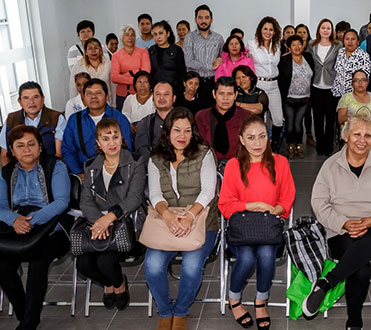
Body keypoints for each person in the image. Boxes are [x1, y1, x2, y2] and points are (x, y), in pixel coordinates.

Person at [306, 112, 371, 329]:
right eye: (357, 134)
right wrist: (344, 223)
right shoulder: (330, 166)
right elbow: (319, 204)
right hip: (340, 231)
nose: (362, 140)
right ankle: (355, 322)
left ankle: (327, 282)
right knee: (360, 266)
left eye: (368, 136)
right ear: (345, 136)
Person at [218, 115, 295, 330]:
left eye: (262, 137)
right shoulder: (234, 166)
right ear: (242, 140)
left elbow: (287, 197)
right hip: (241, 228)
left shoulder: (280, 162)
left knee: (266, 255)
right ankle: (234, 298)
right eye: (251, 138)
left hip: (268, 227)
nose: (258, 143)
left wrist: (275, 209)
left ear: (268, 137)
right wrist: (253, 205)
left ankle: (261, 300)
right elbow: (225, 204)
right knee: (246, 257)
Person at [146, 107, 217, 330]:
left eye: (187, 130)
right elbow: (155, 193)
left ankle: (181, 310)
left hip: (200, 219)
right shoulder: (156, 158)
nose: (182, 136)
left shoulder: (204, 153)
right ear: (167, 131)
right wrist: (167, 216)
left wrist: (189, 216)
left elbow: (208, 191)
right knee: (153, 265)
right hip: (166, 219)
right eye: (177, 130)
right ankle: (165, 310)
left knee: (192, 266)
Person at [0, 125, 71, 330]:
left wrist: (30, 220)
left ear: (40, 147)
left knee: (38, 263)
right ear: (12, 151)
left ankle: (28, 323)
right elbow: (1, 207)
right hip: (17, 227)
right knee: (2, 266)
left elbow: (61, 202)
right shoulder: (6, 173)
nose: (27, 149)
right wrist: (14, 220)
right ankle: (26, 314)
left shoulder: (55, 166)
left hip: (52, 227)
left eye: (32, 144)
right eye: (20, 145)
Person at [77, 118, 146, 311]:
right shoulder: (90, 166)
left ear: (122, 138)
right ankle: (110, 284)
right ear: (98, 143)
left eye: (115, 136)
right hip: (98, 225)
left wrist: (109, 218)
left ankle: (119, 284)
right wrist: (98, 222)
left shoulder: (134, 161)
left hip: (128, 224)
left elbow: (134, 198)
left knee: (105, 261)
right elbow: (86, 201)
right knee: (83, 264)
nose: (112, 142)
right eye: (105, 138)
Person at [62, 79, 133, 177]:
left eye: (98, 93)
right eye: (89, 94)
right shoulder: (74, 120)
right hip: (84, 173)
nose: (93, 97)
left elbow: (126, 149)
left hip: (115, 173)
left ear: (107, 96)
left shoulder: (119, 118)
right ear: (83, 97)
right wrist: (79, 173)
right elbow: (68, 150)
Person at [1, 81, 66, 166]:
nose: (31, 102)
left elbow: (59, 154)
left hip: (49, 168)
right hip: (19, 170)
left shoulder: (56, 118)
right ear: (19, 101)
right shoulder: (11, 119)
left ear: (42, 99)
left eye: (35, 97)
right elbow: (4, 155)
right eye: (26, 98)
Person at [247, 17, 284, 152]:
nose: (268, 32)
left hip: (274, 84)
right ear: (260, 30)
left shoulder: (277, 46)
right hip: (259, 84)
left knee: (278, 119)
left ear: (274, 32)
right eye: (265, 29)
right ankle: (259, 148)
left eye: (271, 29)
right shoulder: (252, 45)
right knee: (259, 119)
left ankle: (274, 148)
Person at [195, 77, 251, 161]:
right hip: (209, 164)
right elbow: (198, 147)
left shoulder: (246, 116)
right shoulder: (202, 117)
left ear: (236, 95)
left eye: (230, 94)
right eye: (221, 93)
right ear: (214, 94)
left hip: (238, 164)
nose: (225, 98)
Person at [278, 35, 315, 159]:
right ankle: (290, 145)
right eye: (294, 45)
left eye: (299, 44)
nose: (297, 47)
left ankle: (299, 145)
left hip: (305, 98)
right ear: (289, 47)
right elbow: (281, 80)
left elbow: (313, 74)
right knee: (290, 124)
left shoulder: (308, 57)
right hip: (289, 98)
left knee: (298, 124)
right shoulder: (284, 60)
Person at [309, 18, 343, 154]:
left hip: (331, 86)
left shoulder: (338, 45)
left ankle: (328, 147)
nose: (325, 30)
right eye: (323, 27)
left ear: (332, 30)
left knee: (330, 119)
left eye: (328, 28)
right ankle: (320, 146)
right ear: (318, 29)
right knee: (317, 118)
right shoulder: (311, 44)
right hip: (316, 85)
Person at [184, 4, 225, 110]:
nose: (203, 21)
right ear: (195, 19)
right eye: (200, 17)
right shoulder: (189, 37)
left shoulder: (218, 38)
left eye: (207, 18)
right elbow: (188, 62)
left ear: (211, 20)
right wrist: (210, 66)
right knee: (197, 113)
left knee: (214, 112)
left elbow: (223, 58)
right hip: (196, 83)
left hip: (214, 82)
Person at [111, 25, 151, 111]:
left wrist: (126, 74)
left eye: (132, 35)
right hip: (122, 94)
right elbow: (114, 77)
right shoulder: (116, 55)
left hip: (141, 92)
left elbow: (146, 72)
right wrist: (136, 78)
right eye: (127, 35)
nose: (130, 38)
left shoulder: (143, 52)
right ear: (121, 38)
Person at [135, 81, 176, 161]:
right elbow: (141, 149)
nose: (161, 98)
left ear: (174, 98)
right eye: (158, 94)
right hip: (153, 167)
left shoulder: (183, 121)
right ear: (153, 98)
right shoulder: (145, 123)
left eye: (166, 94)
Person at [69, 38, 113, 106]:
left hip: (106, 102)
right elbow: (73, 88)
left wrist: (114, 104)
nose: (93, 51)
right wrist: (75, 106)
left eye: (96, 48)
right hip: (87, 104)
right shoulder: (78, 66)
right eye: (90, 48)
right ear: (85, 51)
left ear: (100, 50)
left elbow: (113, 86)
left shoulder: (108, 64)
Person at [332, 29, 371, 99]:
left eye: (353, 39)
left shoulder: (363, 55)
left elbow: (365, 78)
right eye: (347, 39)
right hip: (338, 94)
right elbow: (337, 72)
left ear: (358, 42)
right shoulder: (341, 52)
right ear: (343, 41)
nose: (350, 42)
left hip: (355, 96)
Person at [149, 20, 187, 93]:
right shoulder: (151, 50)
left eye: (161, 33)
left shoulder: (177, 50)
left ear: (168, 34)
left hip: (173, 90)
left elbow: (181, 74)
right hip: (156, 90)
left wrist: (179, 91)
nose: (158, 37)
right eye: (155, 34)